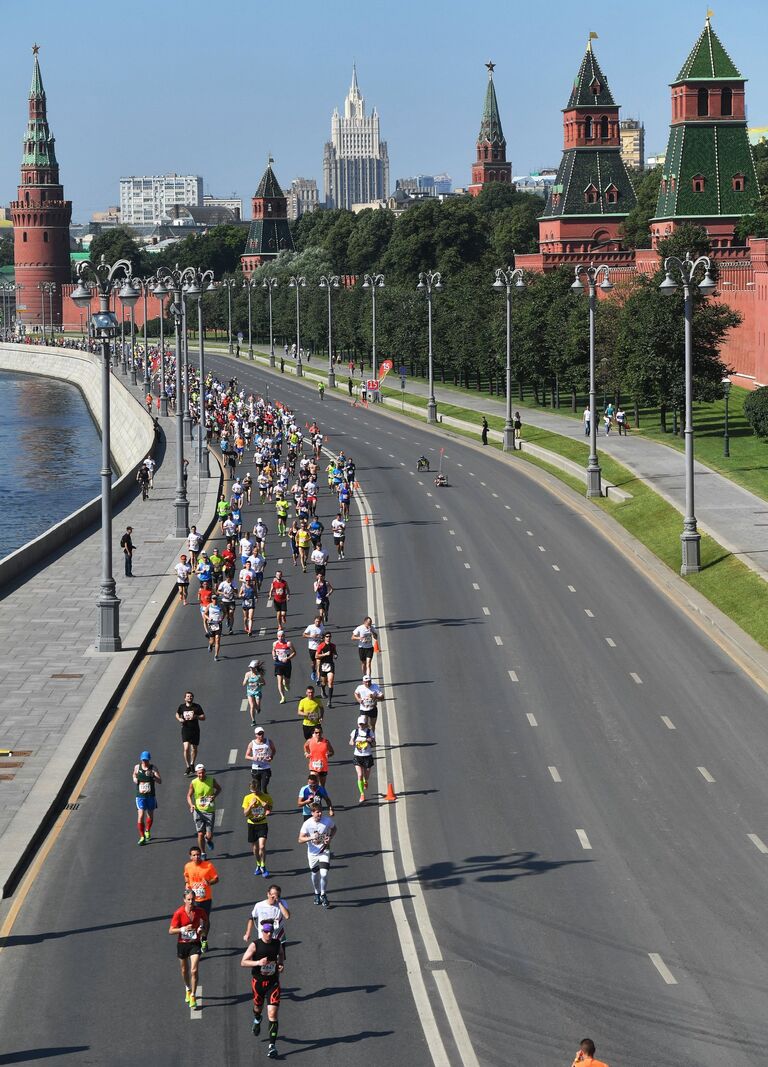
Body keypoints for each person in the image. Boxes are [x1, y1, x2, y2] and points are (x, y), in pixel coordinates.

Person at [240, 919, 285, 1056]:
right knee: (258, 1007)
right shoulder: (255, 945)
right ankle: (257, 1018)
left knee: (272, 1013)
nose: (269, 934)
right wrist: (258, 962)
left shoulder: (277, 944)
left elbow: (281, 955)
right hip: (258, 983)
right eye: (266, 932)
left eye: (271, 932)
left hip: (273, 983)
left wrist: (281, 964)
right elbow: (243, 962)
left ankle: (272, 1046)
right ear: (262, 932)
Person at [169, 888, 208, 1010]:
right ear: (184, 900)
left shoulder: (200, 911)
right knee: (184, 970)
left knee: (194, 970)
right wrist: (182, 929)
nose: (191, 902)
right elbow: (170, 930)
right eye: (189, 899)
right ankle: (187, 988)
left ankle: (193, 995)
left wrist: (201, 930)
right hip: (182, 944)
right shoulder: (178, 913)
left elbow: (206, 923)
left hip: (195, 943)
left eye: (193, 899)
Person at [298, 802, 336, 908]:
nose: (319, 814)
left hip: (324, 850)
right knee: (315, 875)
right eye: (317, 812)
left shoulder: (327, 821)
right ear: (312, 813)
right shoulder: (307, 824)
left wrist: (330, 838)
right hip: (312, 853)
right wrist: (311, 838)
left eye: (320, 812)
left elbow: (334, 828)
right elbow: (300, 839)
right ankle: (317, 893)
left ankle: (323, 894)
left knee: (324, 874)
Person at [183, 846, 219, 952]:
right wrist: (186, 884)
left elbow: (216, 879)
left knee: (205, 920)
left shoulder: (208, 865)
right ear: (190, 856)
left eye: (198, 854)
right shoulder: (188, 866)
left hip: (205, 899)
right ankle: (193, 945)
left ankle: (204, 939)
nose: (196, 857)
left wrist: (209, 882)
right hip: (192, 900)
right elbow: (186, 876)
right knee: (191, 921)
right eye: (194, 855)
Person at [244, 885, 290, 960]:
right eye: (272, 896)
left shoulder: (282, 903)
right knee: (264, 960)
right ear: (268, 894)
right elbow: (252, 918)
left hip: (279, 937)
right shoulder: (259, 905)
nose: (275, 898)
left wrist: (279, 903)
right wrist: (248, 933)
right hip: (264, 938)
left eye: (277, 896)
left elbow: (287, 916)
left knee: (279, 960)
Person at [187, 763, 221, 858]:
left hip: (209, 811)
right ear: (196, 773)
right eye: (199, 773)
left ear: (205, 772)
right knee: (200, 833)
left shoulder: (211, 780)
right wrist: (191, 805)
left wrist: (214, 796)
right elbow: (189, 796)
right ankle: (203, 852)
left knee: (209, 836)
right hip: (198, 811)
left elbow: (219, 789)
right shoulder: (193, 782)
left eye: (202, 773)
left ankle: (208, 840)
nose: (200, 775)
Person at [242, 779, 274, 877]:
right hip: (252, 824)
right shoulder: (247, 798)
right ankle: (258, 864)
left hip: (262, 823)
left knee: (262, 846)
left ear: (258, 788)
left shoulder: (266, 797)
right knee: (255, 848)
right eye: (252, 791)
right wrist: (251, 805)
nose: (254, 793)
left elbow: (270, 809)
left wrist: (266, 806)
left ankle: (263, 866)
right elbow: (245, 814)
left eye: (255, 791)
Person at [133, 750, 161, 845]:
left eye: (146, 760)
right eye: (143, 760)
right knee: (140, 816)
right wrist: (135, 779)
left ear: (149, 760)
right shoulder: (137, 767)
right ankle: (142, 837)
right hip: (140, 796)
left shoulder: (153, 768)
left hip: (150, 796)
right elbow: (134, 775)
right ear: (141, 759)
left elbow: (160, 781)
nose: (144, 762)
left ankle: (147, 830)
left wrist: (153, 776)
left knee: (150, 816)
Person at [176, 691, 206, 775]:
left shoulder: (197, 707)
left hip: (195, 730)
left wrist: (196, 716)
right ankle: (188, 766)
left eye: (191, 696)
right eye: (188, 696)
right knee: (186, 748)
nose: (189, 698)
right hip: (185, 729)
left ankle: (192, 763)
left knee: (194, 748)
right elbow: (177, 714)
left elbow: (203, 717)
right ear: (185, 698)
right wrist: (179, 719)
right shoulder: (182, 707)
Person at [349, 715, 376, 803]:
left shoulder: (369, 731)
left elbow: (374, 744)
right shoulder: (355, 732)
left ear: (365, 724)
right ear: (357, 724)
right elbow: (350, 742)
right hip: (358, 756)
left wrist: (370, 740)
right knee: (360, 774)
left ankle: (365, 781)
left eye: (362, 724)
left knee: (366, 775)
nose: (361, 725)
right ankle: (362, 794)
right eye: (359, 724)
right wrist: (353, 742)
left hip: (367, 755)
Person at [246, 725, 276, 794]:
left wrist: (271, 757)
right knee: (257, 789)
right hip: (256, 769)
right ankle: (258, 803)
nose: (261, 735)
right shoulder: (252, 744)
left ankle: (267, 801)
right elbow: (246, 756)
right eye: (259, 734)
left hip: (266, 768)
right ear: (256, 735)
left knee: (264, 787)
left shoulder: (269, 741)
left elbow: (274, 750)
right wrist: (253, 758)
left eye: (262, 733)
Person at [314, 630, 338, 706]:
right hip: (323, 665)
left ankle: (329, 701)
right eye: (327, 636)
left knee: (330, 682)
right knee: (324, 682)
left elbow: (335, 653)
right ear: (324, 637)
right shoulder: (321, 645)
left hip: (330, 665)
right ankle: (323, 690)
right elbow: (316, 656)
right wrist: (324, 654)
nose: (328, 638)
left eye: (330, 636)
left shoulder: (333, 645)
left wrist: (335, 656)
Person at [272, 629, 296, 704]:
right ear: (277, 637)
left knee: (287, 681)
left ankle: (286, 683)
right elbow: (273, 650)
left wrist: (287, 658)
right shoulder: (275, 644)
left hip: (287, 664)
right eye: (279, 636)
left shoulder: (288, 643)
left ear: (284, 636)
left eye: (282, 636)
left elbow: (294, 653)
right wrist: (273, 656)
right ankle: (282, 697)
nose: (280, 638)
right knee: (279, 681)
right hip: (278, 664)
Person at [302, 616, 325, 682]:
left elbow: (324, 635)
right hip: (312, 647)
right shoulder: (310, 627)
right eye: (316, 621)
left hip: (319, 648)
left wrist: (322, 638)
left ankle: (319, 677)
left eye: (318, 622)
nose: (317, 623)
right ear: (314, 621)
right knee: (313, 663)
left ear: (320, 622)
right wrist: (310, 636)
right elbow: (303, 635)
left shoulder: (322, 627)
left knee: (319, 662)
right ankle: (313, 671)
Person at [243, 659, 265, 724]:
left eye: (252, 667)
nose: (250, 668)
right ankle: (253, 720)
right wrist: (246, 680)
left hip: (257, 692)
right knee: (252, 706)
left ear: (255, 668)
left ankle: (258, 709)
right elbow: (243, 684)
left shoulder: (259, 675)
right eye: (250, 667)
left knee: (257, 706)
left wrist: (258, 684)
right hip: (249, 692)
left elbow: (264, 683)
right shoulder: (247, 674)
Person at [205, 593, 224, 661]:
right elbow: (205, 614)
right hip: (212, 624)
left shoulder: (220, 605)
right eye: (213, 599)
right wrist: (208, 618)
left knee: (217, 639)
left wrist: (222, 618)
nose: (214, 600)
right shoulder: (209, 606)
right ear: (211, 599)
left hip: (218, 624)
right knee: (212, 641)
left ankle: (216, 655)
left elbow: (224, 612)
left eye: (215, 599)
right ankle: (210, 645)